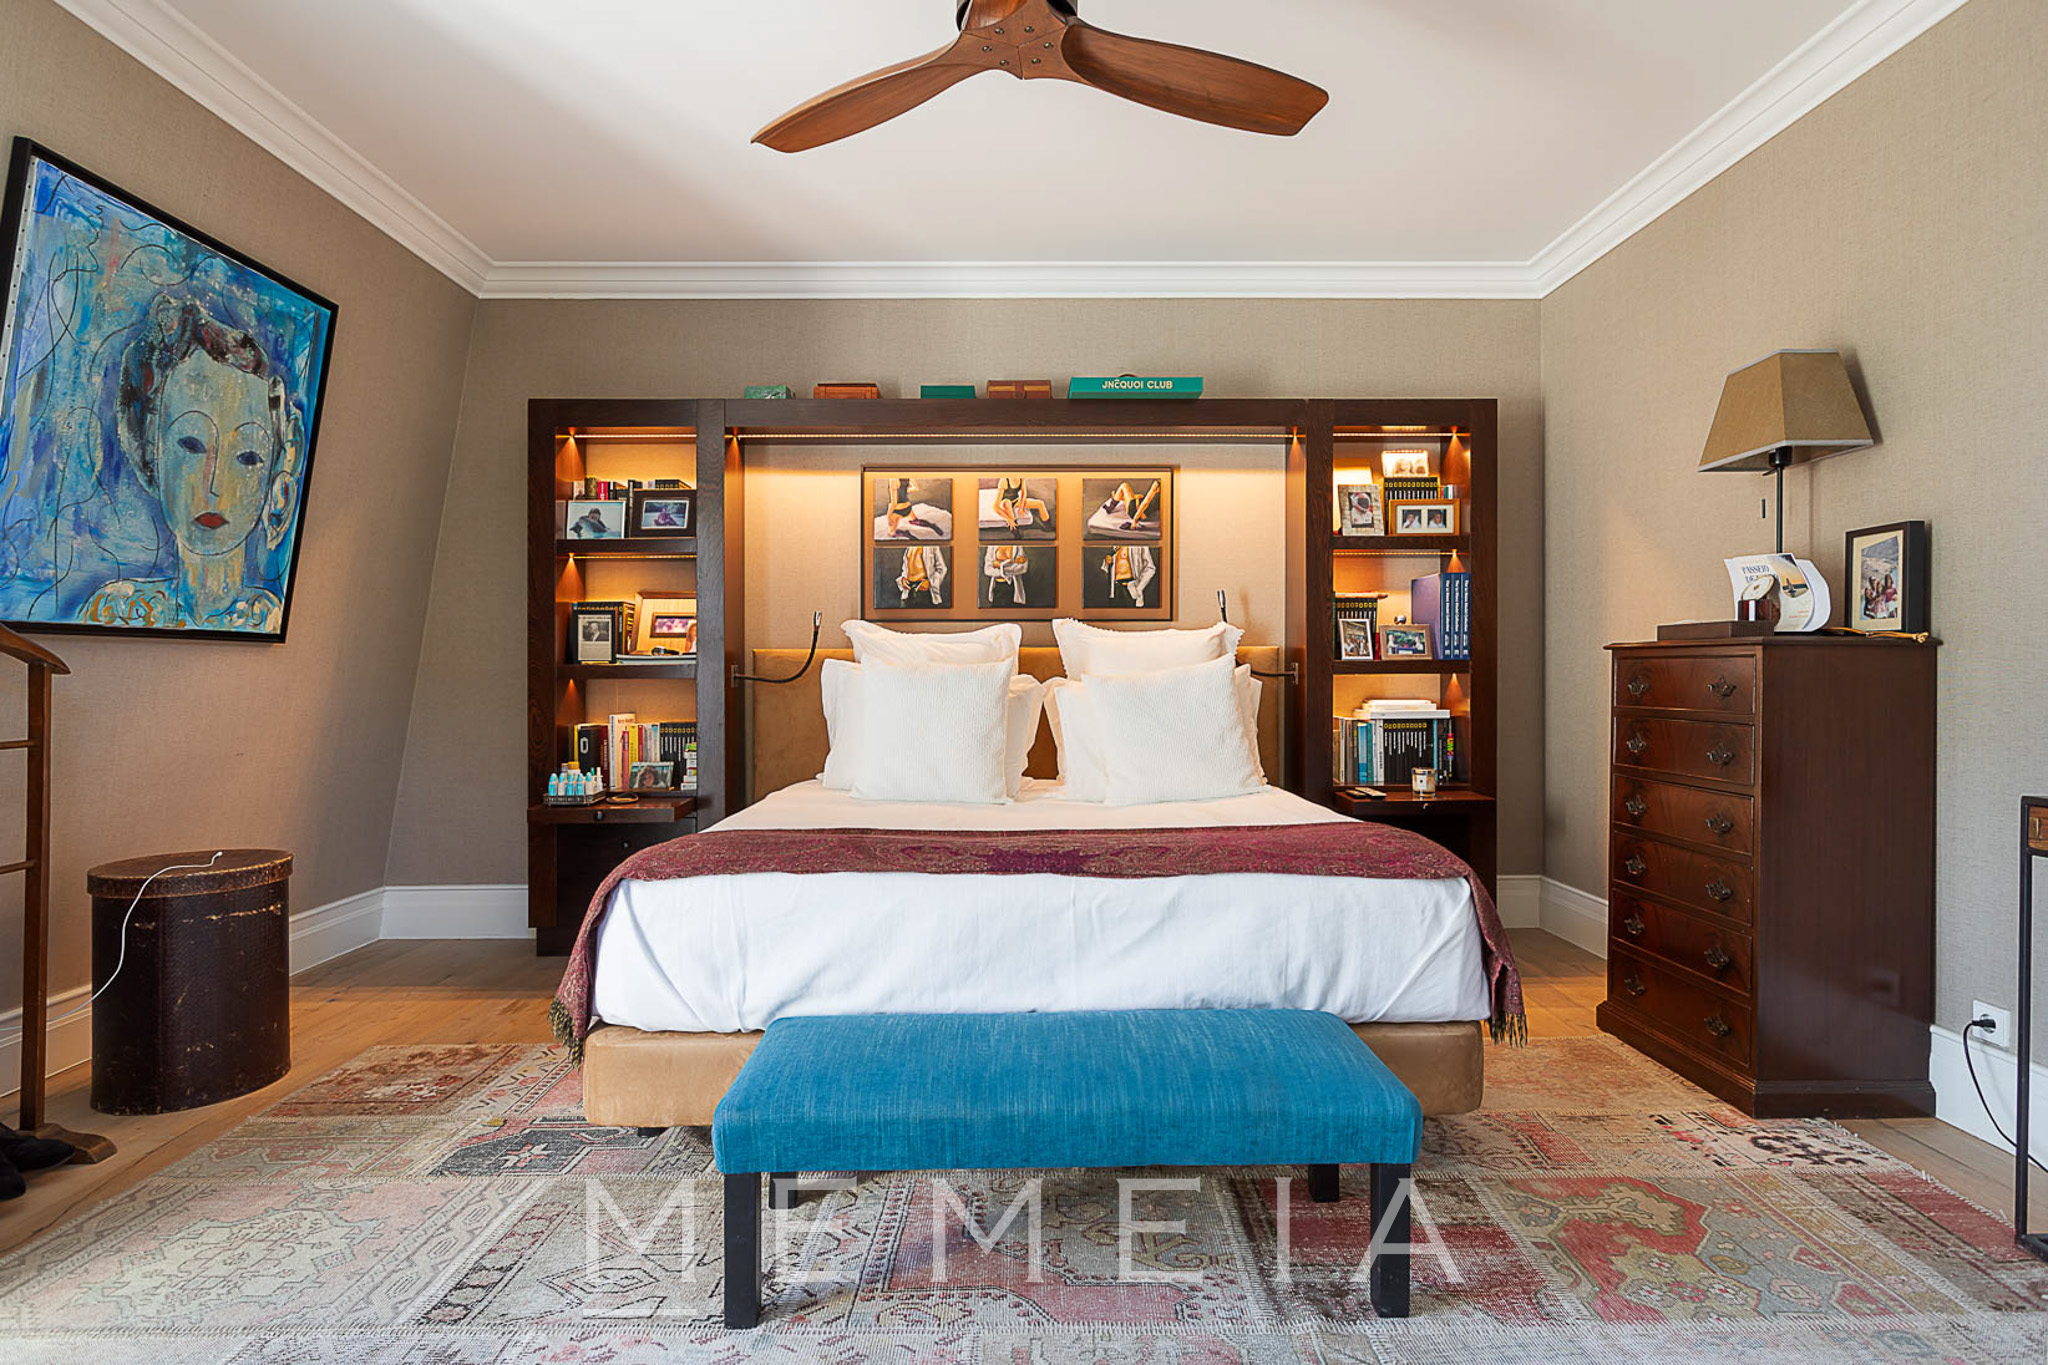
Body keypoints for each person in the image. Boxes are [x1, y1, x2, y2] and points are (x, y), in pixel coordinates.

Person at [83, 295, 304, 632]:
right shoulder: (115, 611)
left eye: (248, 457)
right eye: (191, 445)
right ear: (149, 454)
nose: (214, 484)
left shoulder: (266, 619)